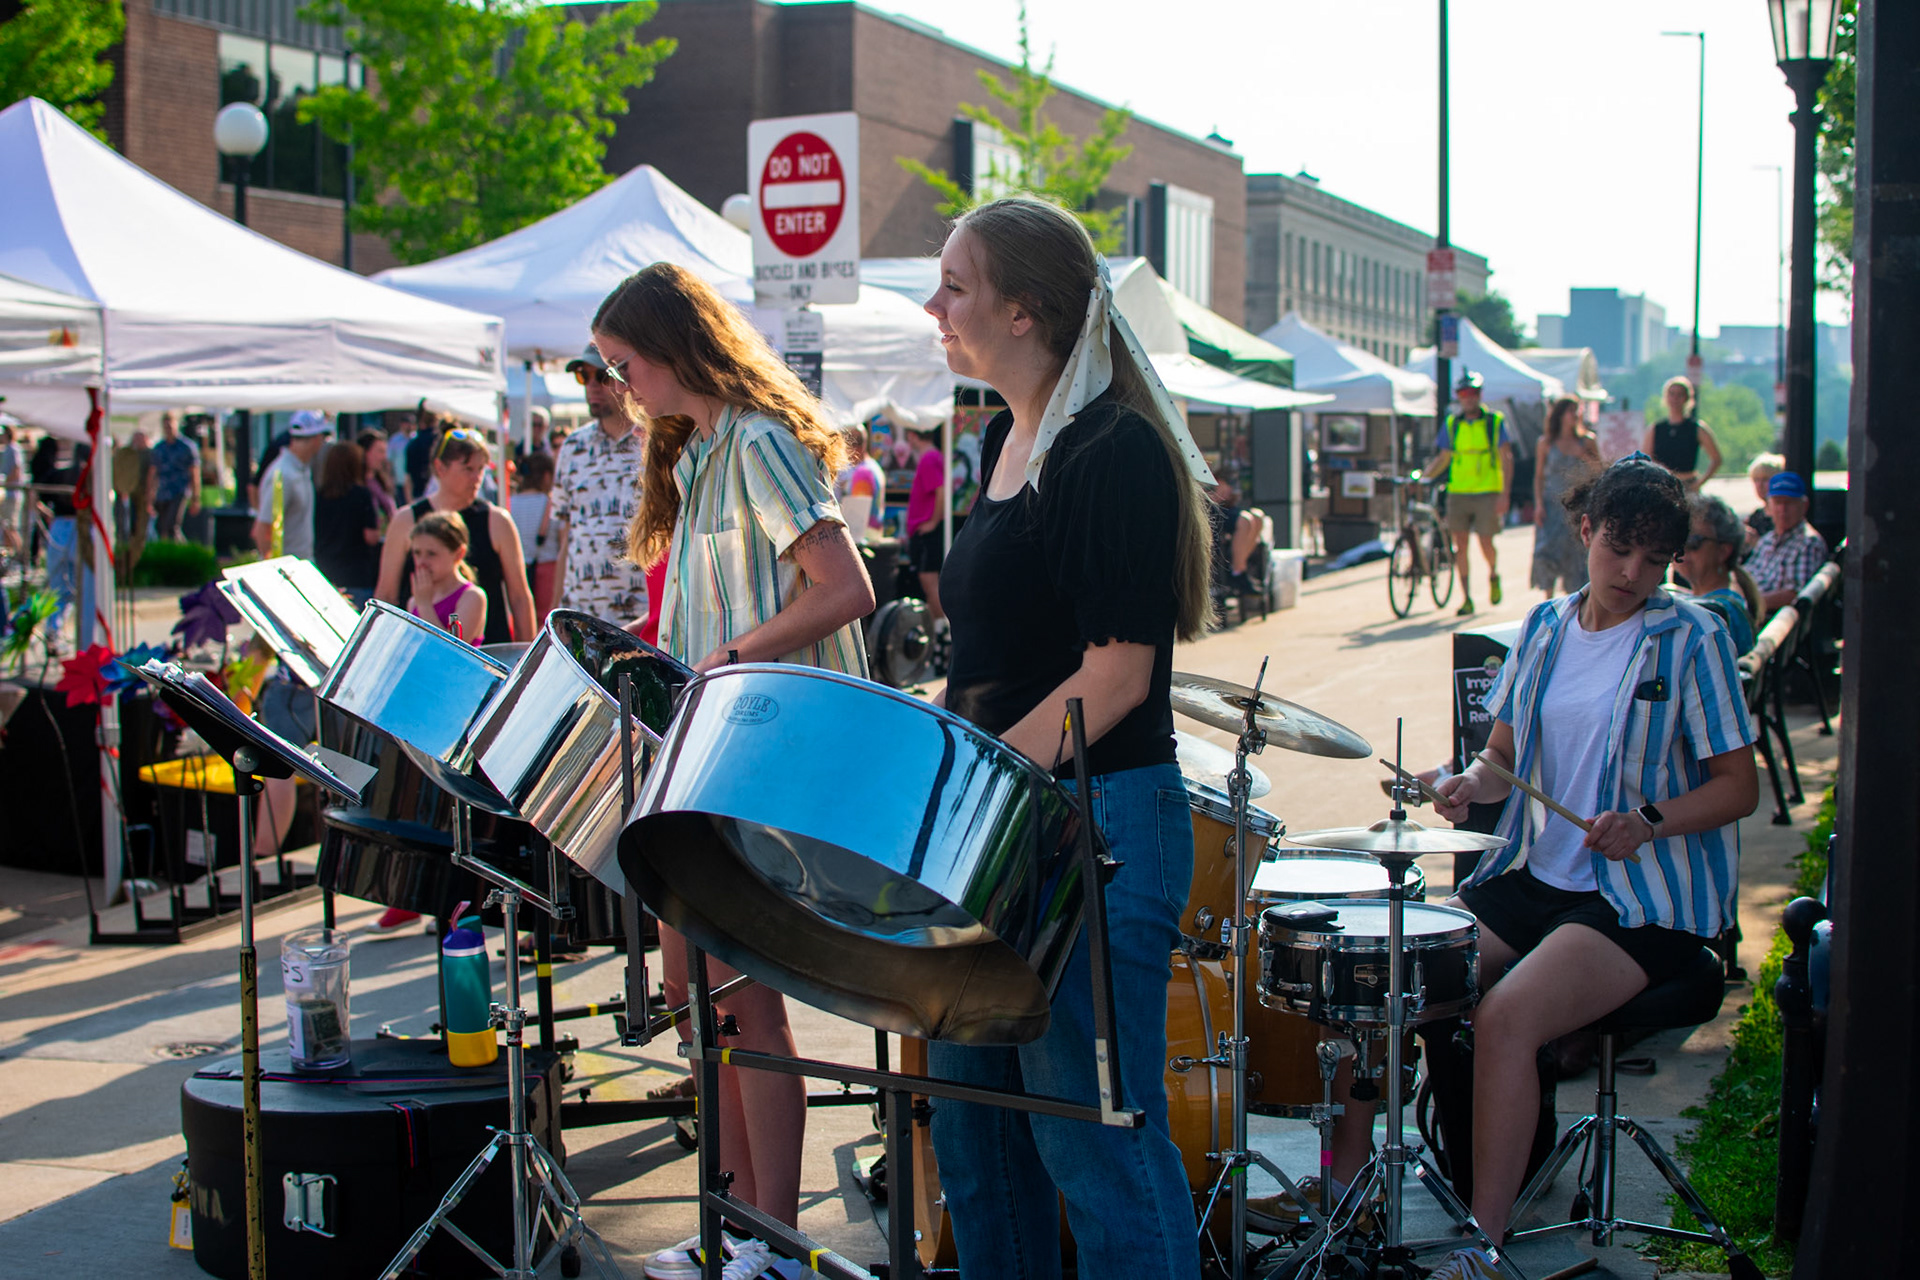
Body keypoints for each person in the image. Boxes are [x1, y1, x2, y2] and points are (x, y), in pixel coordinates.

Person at [918, 195, 1215, 1280]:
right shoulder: (1005, 437)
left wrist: (974, 787)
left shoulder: (1111, 448)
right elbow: (998, 661)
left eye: (955, 284)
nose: (934, 305)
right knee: (979, 1134)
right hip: (995, 828)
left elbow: (1119, 671)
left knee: (1092, 1140)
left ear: (1026, 309)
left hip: (1093, 824)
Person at [1405, 456, 1757, 1278]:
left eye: (1654, 558)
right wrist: (1464, 785)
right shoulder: (1543, 628)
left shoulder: (1693, 635)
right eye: (1619, 550)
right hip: (1538, 877)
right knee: (1398, 975)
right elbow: (1501, 758)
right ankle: (1348, 1192)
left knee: (1505, 1016)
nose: (1634, 573)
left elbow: (1739, 787)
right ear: (1586, 530)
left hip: (1644, 899)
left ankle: (1483, 1249)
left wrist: (1648, 820)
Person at [592, 261, 873, 1280]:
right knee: (703, 992)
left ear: (672, 348)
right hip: (712, 746)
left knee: (745, 999)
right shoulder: (702, 451)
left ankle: (777, 1239)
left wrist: (738, 654)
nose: (619, 382)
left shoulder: (755, 442)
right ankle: (735, 1221)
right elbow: (707, 620)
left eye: (624, 362)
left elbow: (846, 587)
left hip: (767, 747)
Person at [374, 427, 534, 646]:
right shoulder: (406, 520)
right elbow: (387, 594)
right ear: (440, 468)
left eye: (481, 469)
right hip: (422, 653)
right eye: (468, 469)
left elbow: (520, 597)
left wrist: (526, 657)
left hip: (490, 653)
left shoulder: (497, 520)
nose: (477, 478)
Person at [551, 345, 651, 629]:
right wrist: (554, 612)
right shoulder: (572, 447)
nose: (592, 386)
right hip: (581, 615)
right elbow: (566, 537)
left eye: (601, 376)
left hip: (640, 617)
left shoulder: (654, 442)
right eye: (584, 377)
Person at [1423, 371, 1514, 615]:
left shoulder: (1494, 421)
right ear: (1458, 397)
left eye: (1472, 393)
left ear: (1480, 395)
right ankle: (1466, 598)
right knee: (1460, 546)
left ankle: (1493, 574)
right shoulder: (1452, 423)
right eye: (1464, 394)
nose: (1468, 398)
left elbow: (1507, 457)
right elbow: (1444, 458)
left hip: (1487, 490)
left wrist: (1505, 493)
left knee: (1486, 542)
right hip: (1459, 491)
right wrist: (1424, 477)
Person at [1530, 396, 1600, 597]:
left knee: (1577, 557)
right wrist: (1538, 505)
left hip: (1578, 508)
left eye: (1577, 411)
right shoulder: (1546, 443)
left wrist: (1582, 454)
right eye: (1571, 411)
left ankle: (1576, 601)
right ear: (1560, 415)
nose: (1575, 415)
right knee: (1548, 555)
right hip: (1551, 507)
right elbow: (1539, 476)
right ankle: (1548, 601)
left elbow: (1600, 471)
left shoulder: (1587, 440)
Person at [1678, 494, 1761, 657]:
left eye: (1693, 542)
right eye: (1678, 540)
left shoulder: (1715, 613)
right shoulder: (1731, 601)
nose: (1681, 550)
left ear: (1723, 551)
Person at [1745, 470, 1830, 616]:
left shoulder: (1808, 543)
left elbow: (1793, 595)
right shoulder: (1766, 540)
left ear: (1804, 506)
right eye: (1778, 502)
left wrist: (1745, 604)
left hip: (1768, 620)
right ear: (1769, 506)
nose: (1782, 509)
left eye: (1789, 503)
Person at [251, 412, 330, 560]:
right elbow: (262, 529)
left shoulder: (301, 469)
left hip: (299, 566)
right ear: (316, 439)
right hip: (285, 572)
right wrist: (273, 571)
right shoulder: (283, 474)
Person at [312, 439, 383, 599]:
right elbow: (371, 536)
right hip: (355, 573)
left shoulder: (318, 495)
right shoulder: (361, 494)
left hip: (324, 572)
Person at [405, 511, 487, 641]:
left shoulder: (472, 597)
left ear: (459, 554)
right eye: (417, 553)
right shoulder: (415, 601)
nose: (421, 562)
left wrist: (425, 606)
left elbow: (451, 650)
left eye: (431, 554)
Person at [1642, 375, 1723, 491]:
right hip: (1662, 485)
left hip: (1688, 484)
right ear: (1666, 397)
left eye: (1680, 394)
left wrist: (1699, 483)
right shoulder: (1655, 429)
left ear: (1687, 398)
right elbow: (1646, 459)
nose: (1675, 398)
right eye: (1672, 394)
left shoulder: (1697, 428)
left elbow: (1716, 459)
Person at [903, 423, 948, 625]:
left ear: (913, 435)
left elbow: (941, 491)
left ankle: (941, 630)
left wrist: (932, 522)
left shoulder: (929, 457)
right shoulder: (932, 456)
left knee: (930, 583)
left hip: (927, 533)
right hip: (925, 532)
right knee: (929, 584)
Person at [509, 450, 560, 619]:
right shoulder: (551, 503)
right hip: (547, 568)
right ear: (547, 476)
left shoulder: (509, 503)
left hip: (519, 570)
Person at [150, 412, 201, 540]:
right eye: (166, 426)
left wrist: (195, 497)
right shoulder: (159, 448)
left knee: (172, 525)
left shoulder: (186, 447)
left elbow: (194, 472)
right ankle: (167, 554)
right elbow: (153, 473)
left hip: (179, 490)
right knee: (161, 527)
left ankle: (181, 553)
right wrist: (150, 495)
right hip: (162, 492)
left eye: (170, 425)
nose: (168, 429)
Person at [834, 422, 888, 539]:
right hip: (874, 533)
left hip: (863, 537)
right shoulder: (874, 467)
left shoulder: (863, 472)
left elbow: (857, 514)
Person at [1208, 477, 1260, 595]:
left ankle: (1240, 566)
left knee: (1258, 517)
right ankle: (1237, 572)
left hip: (1226, 505)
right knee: (1244, 520)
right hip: (1211, 509)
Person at [1743, 452, 1785, 549]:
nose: (1760, 485)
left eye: (1765, 479)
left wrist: (1757, 543)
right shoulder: (1755, 517)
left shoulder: (1783, 516)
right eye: (1756, 480)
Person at [357, 428, 396, 521]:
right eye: (380, 451)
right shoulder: (357, 486)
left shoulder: (381, 482)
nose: (384, 457)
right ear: (365, 452)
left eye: (385, 452)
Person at [0, 424, 22, 557]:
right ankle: (10, 558)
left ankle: (20, 558)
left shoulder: (14, 449)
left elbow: (16, 470)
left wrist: (4, 483)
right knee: (6, 528)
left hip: (12, 494)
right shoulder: (7, 449)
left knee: (11, 528)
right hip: (6, 494)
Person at [386, 412, 417, 503]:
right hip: (400, 481)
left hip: (414, 481)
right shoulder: (395, 440)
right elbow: (389, 461)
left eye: (410, 424)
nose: (408, 426)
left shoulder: (417, 439)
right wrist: (389, 478)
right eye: (406, 424)